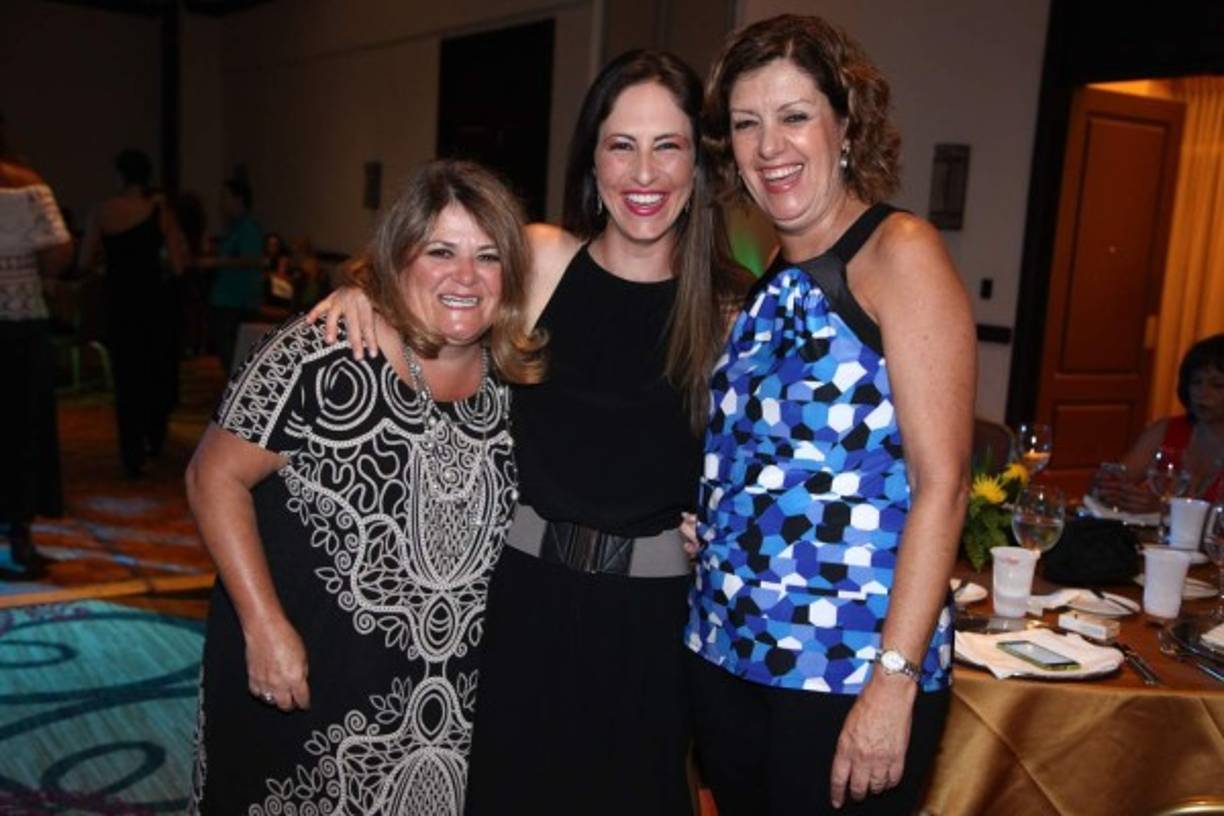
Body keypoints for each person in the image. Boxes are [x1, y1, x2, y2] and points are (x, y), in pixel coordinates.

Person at [309, 50, 747, 814]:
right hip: (521, 602)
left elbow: (767, 471)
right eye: (621, 144)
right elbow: (436, 279)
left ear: (700, 164)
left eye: (668, 145)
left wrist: (729, 529)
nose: (643, 172)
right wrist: (360, 291)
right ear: (593, 157)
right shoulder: (544, 257)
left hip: (651, 628)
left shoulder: (731, 311)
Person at [184, 159, 543, 815]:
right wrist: (262, 626)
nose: (465, 277)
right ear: (400, 257)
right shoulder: (321, 353)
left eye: (488, 257)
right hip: (305, 680)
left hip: (449, 706)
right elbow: (212, 475)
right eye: (441, 251)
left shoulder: (518, 386)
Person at [684, 15, 975, 814]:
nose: (769, 146)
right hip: (731, 654)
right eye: (747, 124)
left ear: (846, 126)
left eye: (794, 116)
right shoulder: (774, 269)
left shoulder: (897, 252)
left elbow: (943, 484)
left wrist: (893, 683)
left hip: (844, 670)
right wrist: (720, 516)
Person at [78, 149, 187, 478]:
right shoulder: (157, 210)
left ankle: (131, 452)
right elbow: (179, 263)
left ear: (120, 175)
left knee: (126, 377)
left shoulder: (103, 211)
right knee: (155, 370)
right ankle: (154, 436)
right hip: (153, 300)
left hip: (120, 300)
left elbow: (84, 261)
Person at [0, 112, 72, 577]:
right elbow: (59, 257)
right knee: (22, 429)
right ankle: (19, 534)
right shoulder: (28, 185)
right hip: (20, 320)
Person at [1092, 333, 1224, 510]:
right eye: (1196, 382)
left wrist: (1163, 508)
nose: (1202, 392)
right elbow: (1119, 477)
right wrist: (1109, 488)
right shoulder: (1168, 429)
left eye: (1217, 385)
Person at [201, 178, 264, 372]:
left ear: (238, 199)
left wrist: (216, 262)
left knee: (233, 350)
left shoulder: (248, 228)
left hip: (237, 300)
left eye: (225, 197)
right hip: (226, 297)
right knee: (223, 346)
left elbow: (252, 259)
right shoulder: (233, 228)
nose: (221, 203)